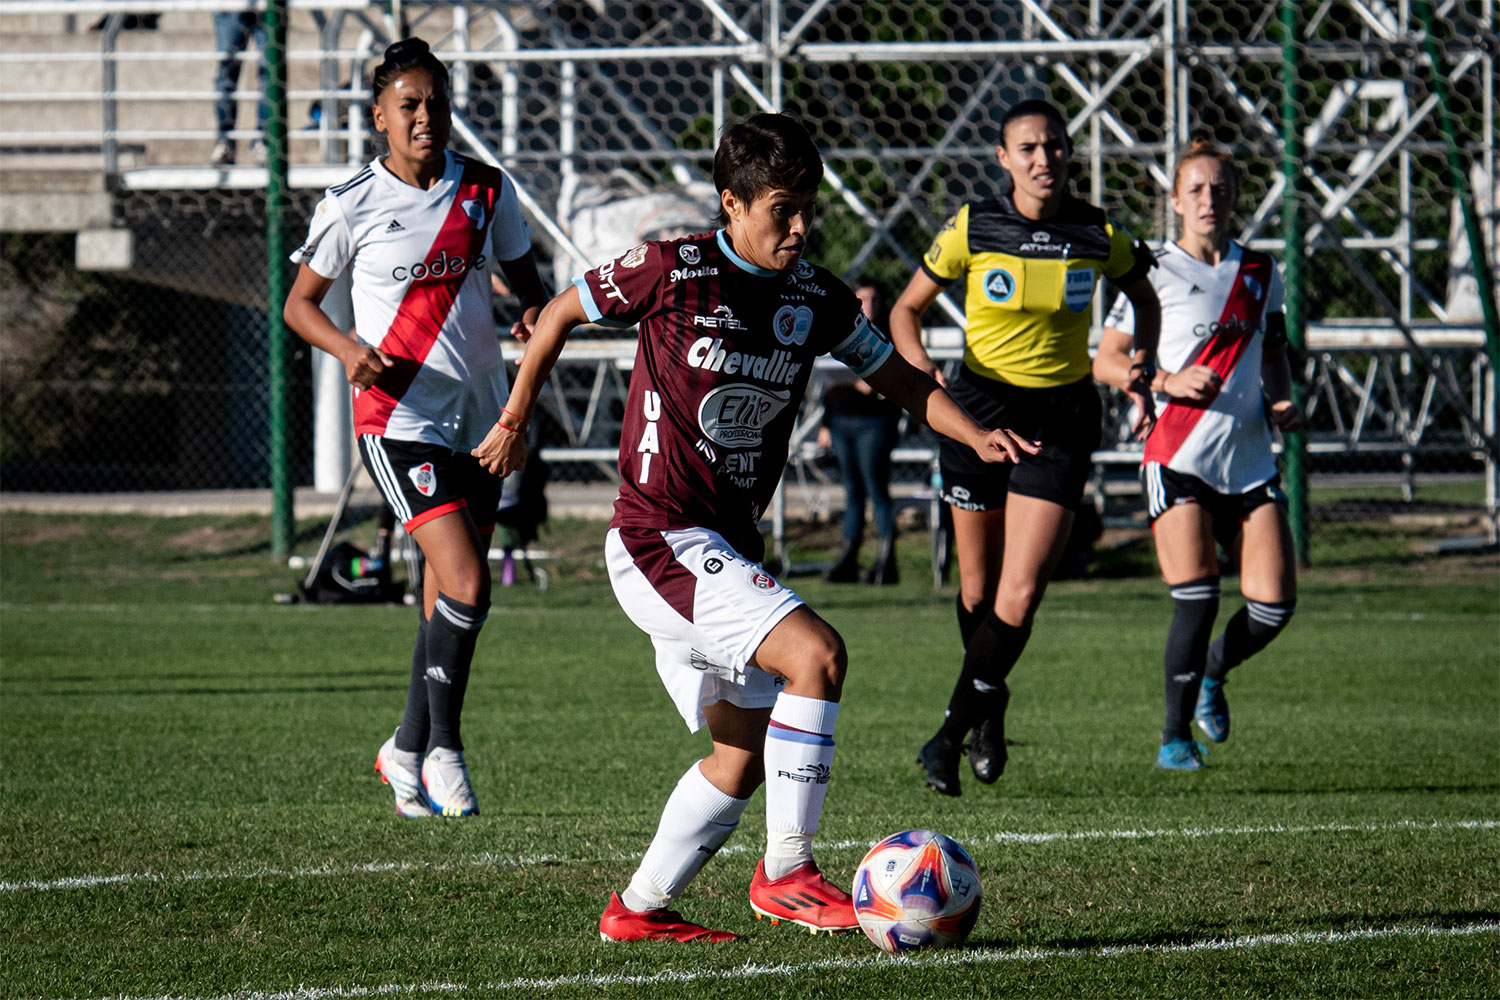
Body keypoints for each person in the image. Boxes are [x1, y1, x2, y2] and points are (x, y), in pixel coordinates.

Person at [473, 112, 1037, 942]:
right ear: (731, 204)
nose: (801, 226)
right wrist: (517, 415)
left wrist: (973, 432)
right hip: (658, 536)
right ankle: (789, 872)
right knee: (818, 654)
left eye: (808, 206)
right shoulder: (672, 270)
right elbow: (556, 313)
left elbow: (902, 381)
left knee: (738, 754)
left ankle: (637, 910)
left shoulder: (813, 296)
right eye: (782, 208)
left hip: (725, 547)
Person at [283, 38, 549, 817]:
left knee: (446, 596)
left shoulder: (488, 192)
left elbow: (526, 291)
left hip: (483, 418)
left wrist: (533, 320)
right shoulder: (350, 204)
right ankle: (444, 751)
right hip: (398, 417)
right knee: (467, 583)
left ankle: (404, 749)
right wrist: (347, 348)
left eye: (436, 101)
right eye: (410, 105)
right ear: (380, 118)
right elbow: (300, 305)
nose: (425, 116)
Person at [890, 98, 1162, 797]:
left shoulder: (1097, 231)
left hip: (1061, 420)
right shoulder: (974, 226)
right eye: (1030, 148)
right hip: (979, 414)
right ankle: (989, 707)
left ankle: (947, 734)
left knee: (1021, 592)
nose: (1046, 160)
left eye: (1057, 146)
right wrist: (918, 364)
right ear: (1005, 159)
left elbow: (1145, 296)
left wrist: (1144, 367)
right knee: (976, 588)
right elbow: (904, 309)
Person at [1094, 139, 1302, 770]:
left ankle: (1215, 670)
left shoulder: (1262, 273)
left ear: (1235, 198)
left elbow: (1273, 354)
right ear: (1176, 200)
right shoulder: (1152, 269)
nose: (1209, 199)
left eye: (1221, 189)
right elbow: (1105, 360)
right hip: (1175, 456)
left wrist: (1283, 401)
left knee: (1273, 606)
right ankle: (1174, 738)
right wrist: (1164, 382)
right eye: (1197, 189)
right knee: (1198, 597)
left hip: (1248, 462)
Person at [817, 278, 903, 584]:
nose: (870, 306)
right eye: (864, 299)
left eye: (875, 300)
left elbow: (891, 379)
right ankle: (849, 557)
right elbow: (828, 381)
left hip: (874, 422)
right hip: (843, 418)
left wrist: (864, 385)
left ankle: (885, 560)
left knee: (875, 487)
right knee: (853, 492)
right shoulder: (842, 328)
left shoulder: (888, 334)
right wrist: (826, 423)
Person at [211, 9, 268, 165]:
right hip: (230, 8)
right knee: (226, 72)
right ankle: (225, 143)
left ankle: (264, 143)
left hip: (268, 9)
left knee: (270, 74)